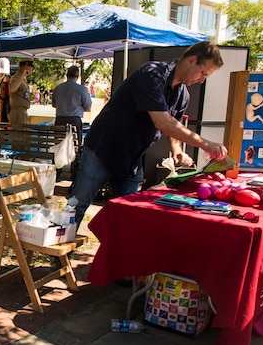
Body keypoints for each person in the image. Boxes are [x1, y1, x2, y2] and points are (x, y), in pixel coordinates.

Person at [71, 41, 228, 227]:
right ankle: (59, 252)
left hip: (132, 158)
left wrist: (177, 150)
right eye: (203, 73)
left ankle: (118, 255)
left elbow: (173, 127)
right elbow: (162, 121)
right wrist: (204, 143)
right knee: (77, 205)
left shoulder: (183, 95)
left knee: (129, 214)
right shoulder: (152, 74)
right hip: (103, 148)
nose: (201, 80)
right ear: (191, 60)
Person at [52, 65, 92, 144]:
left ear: (66, 75)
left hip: (59, 120)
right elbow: (87, 106)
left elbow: (54, 104)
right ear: (77, 76)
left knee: (59, 145)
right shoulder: (82, 89)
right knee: (76, 145)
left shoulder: (58, 88)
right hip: (74, 121)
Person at [7, 59, 34, 124]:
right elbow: (12, 89)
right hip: (17, 111)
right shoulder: (17, 77)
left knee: (25, 133)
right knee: (19, 133)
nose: (32, 68)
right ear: (25, 65)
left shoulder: (24, 79)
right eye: (31, 66)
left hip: (23, 111)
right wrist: (22, 76)